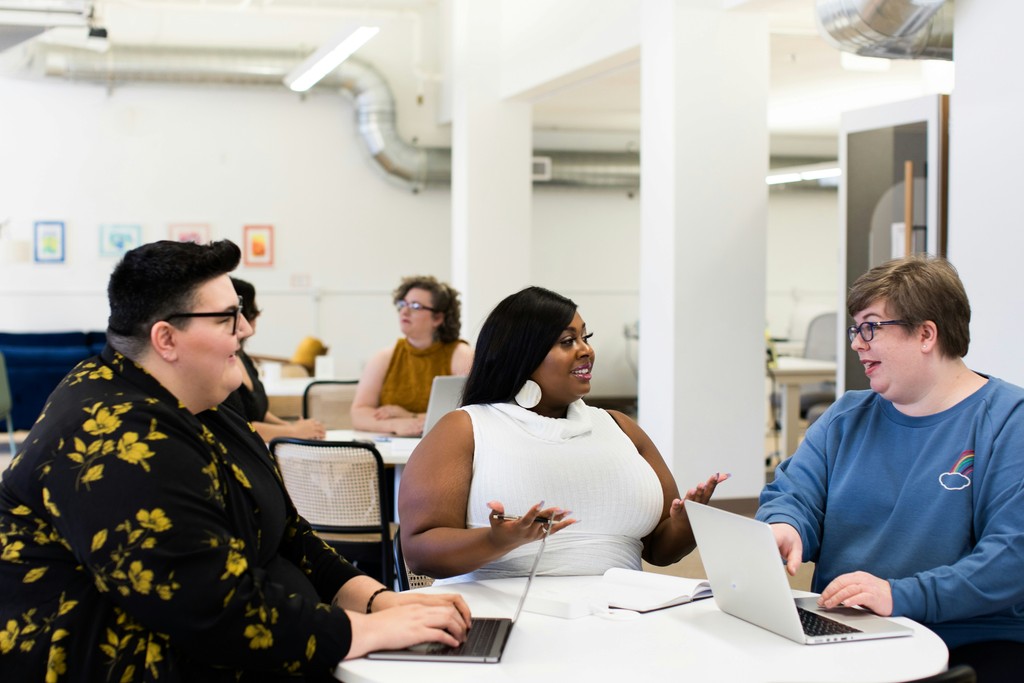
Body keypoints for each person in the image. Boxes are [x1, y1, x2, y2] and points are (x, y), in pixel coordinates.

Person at [0, 240, 470, 682]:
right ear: (166, 339)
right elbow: (210, 610)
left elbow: (291, 536)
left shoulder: (205, 403)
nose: (245, 329)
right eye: (228, 317)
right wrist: (366, 632)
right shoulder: (116, 434)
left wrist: (379, 601)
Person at [757, 255, 1024, 683]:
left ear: (926, 333)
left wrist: (900, 595)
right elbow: (793, 495)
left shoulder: (1008, 422)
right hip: (850, 629)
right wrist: (785, 525)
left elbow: (1012, 558)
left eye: (871, 327)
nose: (857, 344)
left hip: (969, 639)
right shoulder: (846, 417)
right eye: (855, 329)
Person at [398, 286, 727, 581]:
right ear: (522, 357)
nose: (586, 350)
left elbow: (661, 550)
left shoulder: (618, 427)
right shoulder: (466, 427)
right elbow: (420, 551)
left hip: (618, 618)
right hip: (502, 616)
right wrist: (495, 541)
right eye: (567, 341)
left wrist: (687, 522)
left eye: (586, 337)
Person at [351, 275, 473, 436]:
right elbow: (358, 413)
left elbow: (472, 412)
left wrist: (409, 416)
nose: (405, 311)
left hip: (443, 447)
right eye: (403, 304)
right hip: (392, 452)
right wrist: (396, 424)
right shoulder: (384, 357)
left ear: (438, 318)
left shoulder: (461, 354)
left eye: (415, 306)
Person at [222, 277, 326, 442]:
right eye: (254, 311)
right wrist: (294, 431)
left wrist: (290, 427)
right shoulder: (222, 365)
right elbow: (241, 426)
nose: (255, 320)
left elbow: (258, 411)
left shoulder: (243, 358)